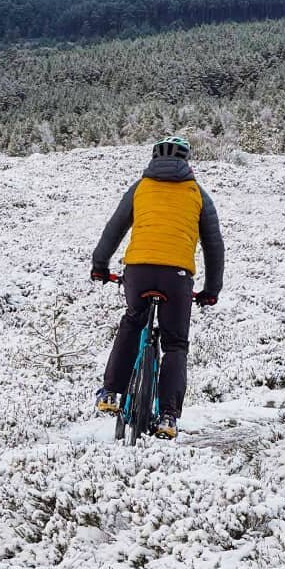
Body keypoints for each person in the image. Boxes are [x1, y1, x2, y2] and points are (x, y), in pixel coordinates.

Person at [90, 135, 224, 439]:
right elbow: (214, 246)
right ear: (185, 161)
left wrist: (100, 266)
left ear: (153, 159)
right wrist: (211, 289)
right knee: (175, 344)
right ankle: (167, 416)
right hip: (177, 277)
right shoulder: (198, 194)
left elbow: (114, 229)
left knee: (133, 322)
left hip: (138, 270)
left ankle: (111, 392)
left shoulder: (140, 188)